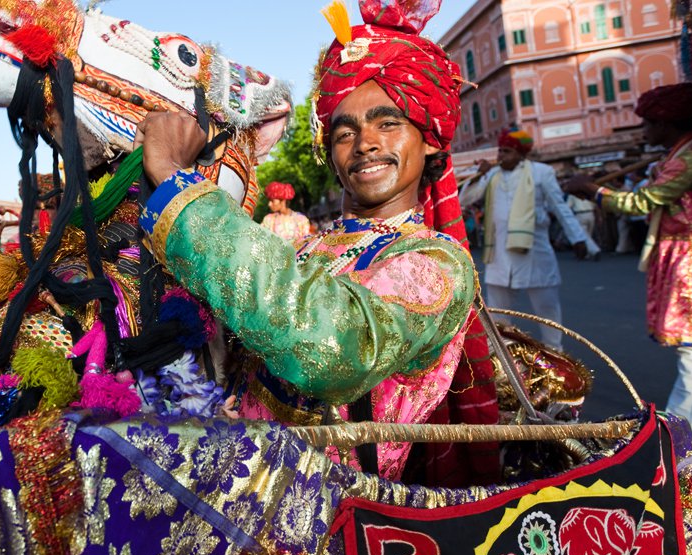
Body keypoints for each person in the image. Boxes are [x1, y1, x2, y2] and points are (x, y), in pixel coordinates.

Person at [135, 5, 482, 480]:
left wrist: (178, 184)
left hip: (330, 514)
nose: (365, 143)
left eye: (388, 124)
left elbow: (329, 347)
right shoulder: (306, 249)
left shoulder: (438, 263)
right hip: (243, 476)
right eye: (345, 133)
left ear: (430, 140)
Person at [564, 82, 692, 459]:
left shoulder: (691, 159)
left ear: (666, 124)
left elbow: (642, 201)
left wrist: (594, 191)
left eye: (647, 124)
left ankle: (684, 430)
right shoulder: (685, 154)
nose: (643, 131)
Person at [460, 129, 588, 349]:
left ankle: (556, 357)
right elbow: (466, 199)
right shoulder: (490, 174)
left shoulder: (541, 172)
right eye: (500, 151)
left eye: (507, 151)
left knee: (547, 311)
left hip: (534, 253)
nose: (501, 156)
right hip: (499, 256)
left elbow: (560, 208)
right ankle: (501, 367)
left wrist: (578, 238)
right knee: (496, 316)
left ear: (521, 154)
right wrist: (479, 175)